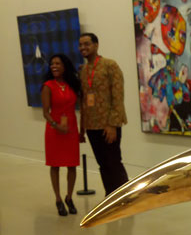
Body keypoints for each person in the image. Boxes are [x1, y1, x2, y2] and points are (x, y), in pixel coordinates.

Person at [78, 32, 129, 196]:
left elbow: (118, 96)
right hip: (91, 126)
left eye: (87, 44)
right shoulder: (83, 70)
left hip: (108, 125)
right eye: (80, 45)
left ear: (96, 45)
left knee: (113, 162)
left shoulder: (110, 65)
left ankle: (125, 199)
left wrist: (112, 124)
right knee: (102, 164)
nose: (83, 47)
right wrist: (82, 128)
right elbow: (83, 100)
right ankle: (110, 197)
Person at [41, 54, 82, 216]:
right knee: (55, 165)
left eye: (57, 63)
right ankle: (58, 199)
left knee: (72, 165)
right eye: (52, 64)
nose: (54, 66)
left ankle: (69, 198)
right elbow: (45, 112)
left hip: (71, 128)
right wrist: (55, 125)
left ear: (65, 66)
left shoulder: (72, 84)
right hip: (54, 130)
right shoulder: (48, 86)